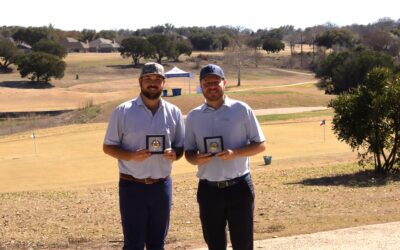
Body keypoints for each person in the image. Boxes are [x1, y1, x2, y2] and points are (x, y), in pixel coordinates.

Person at [103, 62, 185, 250]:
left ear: (164, 83)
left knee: (157, 244)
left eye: (157, 79)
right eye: (148, 79)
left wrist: (175, 154)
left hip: (162, 186)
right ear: (140, 81)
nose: (152, 83)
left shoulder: (174, 112)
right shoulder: (123, 111)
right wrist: (131, 156)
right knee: (133, 244)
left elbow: (180, 145)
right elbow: (108, 147)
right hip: (132, 187)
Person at [184, 64, 266, 250]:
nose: (212, 86)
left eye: (216, 81)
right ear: (201, 86)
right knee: (214, 244)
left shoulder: (242, 109)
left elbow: (260, 144)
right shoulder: (193, 117)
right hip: (208, 190)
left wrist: (236, 153)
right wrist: (196, 159)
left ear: (224, 83)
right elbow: (188, 153)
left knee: (243, 244)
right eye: (207, 83)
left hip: (240, 187)